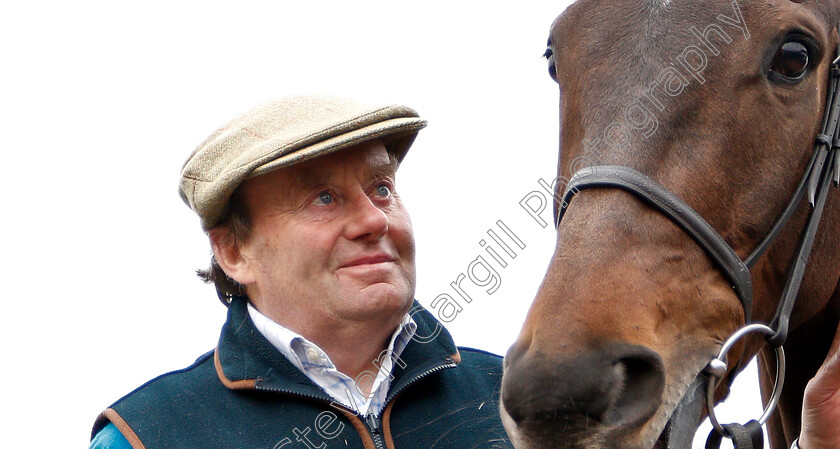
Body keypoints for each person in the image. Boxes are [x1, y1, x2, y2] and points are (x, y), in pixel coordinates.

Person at [89, 96, 512, 449]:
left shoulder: (519, 400)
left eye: (382, 189)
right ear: (234, 252)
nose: (374, 220)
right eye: (323, 198)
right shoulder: (144, 436)